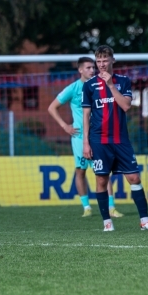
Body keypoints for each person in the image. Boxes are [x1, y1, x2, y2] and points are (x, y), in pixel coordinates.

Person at [82, 45, 148, 232]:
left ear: (113, 61)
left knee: (134, 178)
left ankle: (144, 221)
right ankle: (107, 223)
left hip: (121, 140)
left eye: (105, 60)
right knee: (101, 181)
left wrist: (110, 85)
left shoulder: (124, 81)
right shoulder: (89, 85)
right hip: (99, 140)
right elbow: (86, 115)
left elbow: (126, 106)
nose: (101, 64)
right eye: (98, 61)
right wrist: (85, 142)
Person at [48, 57, 124, 218]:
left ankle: (111, 207)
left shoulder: (100, 85)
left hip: (98, 136)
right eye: (88, 67)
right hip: (79, 137)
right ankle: (86, 207)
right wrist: (65, 126)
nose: (92, 70)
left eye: (93, 67)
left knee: (103, 172)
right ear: (80, 70)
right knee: (80, 171)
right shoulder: (73, 88)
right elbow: (52, 107)